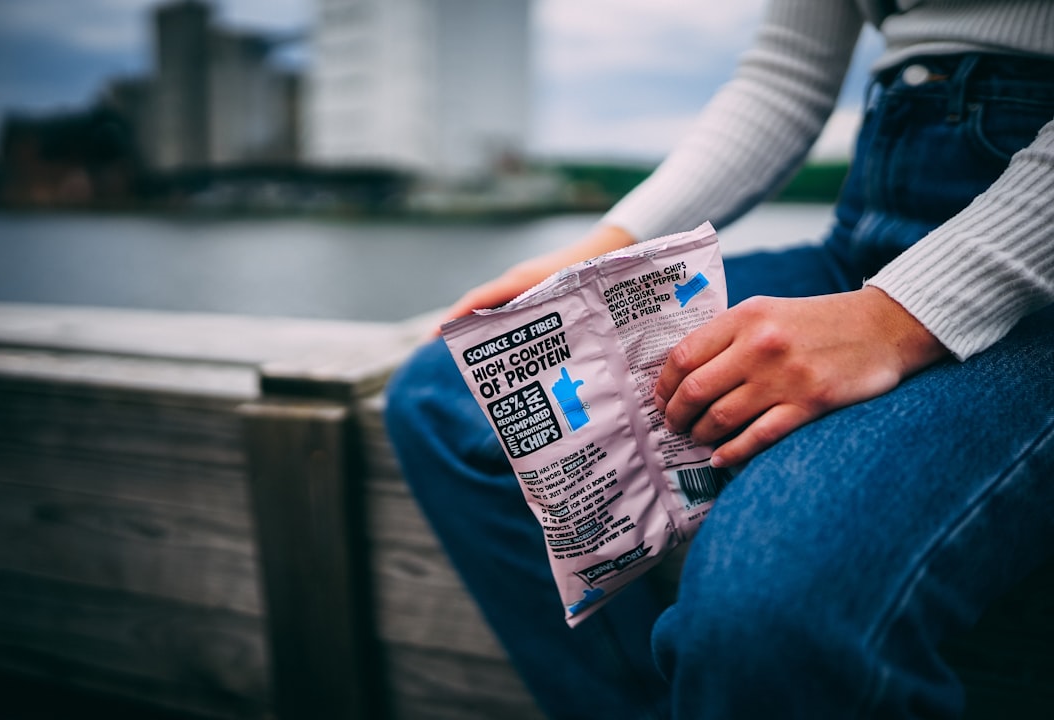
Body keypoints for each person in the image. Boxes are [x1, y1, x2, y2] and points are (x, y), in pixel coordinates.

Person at [384, 0, 1054, 717]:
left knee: (769, 606)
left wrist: (898, 318)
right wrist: (599, 253)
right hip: (862, 237)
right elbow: (784, 78)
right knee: (447, 400)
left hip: (1032, 289)